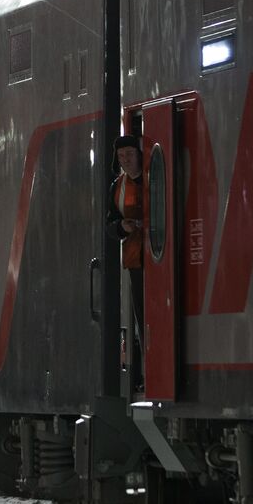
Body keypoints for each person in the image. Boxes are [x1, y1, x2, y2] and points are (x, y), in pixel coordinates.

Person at [108, 135, 144, 388]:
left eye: (129, 154)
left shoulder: (156, 175)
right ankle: (145, 372)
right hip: (136, 259)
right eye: (121, 156)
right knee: (141, 319)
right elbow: (109, 225)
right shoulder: (117, 187)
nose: (126, 160)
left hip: (159, 256)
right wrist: (121, 226)